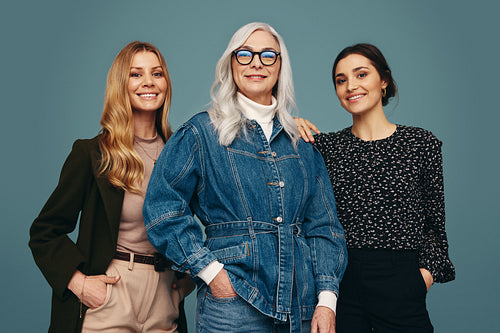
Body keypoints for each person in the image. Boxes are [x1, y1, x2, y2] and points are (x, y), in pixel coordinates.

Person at [143, 22, 347, 333]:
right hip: (233, 305)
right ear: (231, 63)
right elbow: (162, 209)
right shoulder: (202, 132)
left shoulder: (301, 143)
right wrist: (212, 273)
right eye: (245, 54)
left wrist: (327, 301)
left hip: (301, 308)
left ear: (280, 66)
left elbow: (324, 227)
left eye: (268, 55)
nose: (256, 63)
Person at [29, 41, 194, 333]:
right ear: (121, 84)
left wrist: (184, 286)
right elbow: (44, 233)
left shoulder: (181, 154)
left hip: (164, 296)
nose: (148, 82)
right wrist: (79, 283)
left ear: (166, 83)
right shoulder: (92, 154)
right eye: (136, 74)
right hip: (110, 295)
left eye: (157, 73)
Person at [295, 43, 455, 332]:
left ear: (384, 80)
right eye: (341, 80)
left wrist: (421, 280)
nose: (350, 86)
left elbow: (435, 228)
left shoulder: (420, 144)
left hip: (402, 282)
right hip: (343, 284)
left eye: (361, 74)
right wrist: (287, 124)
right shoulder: (326, 148)